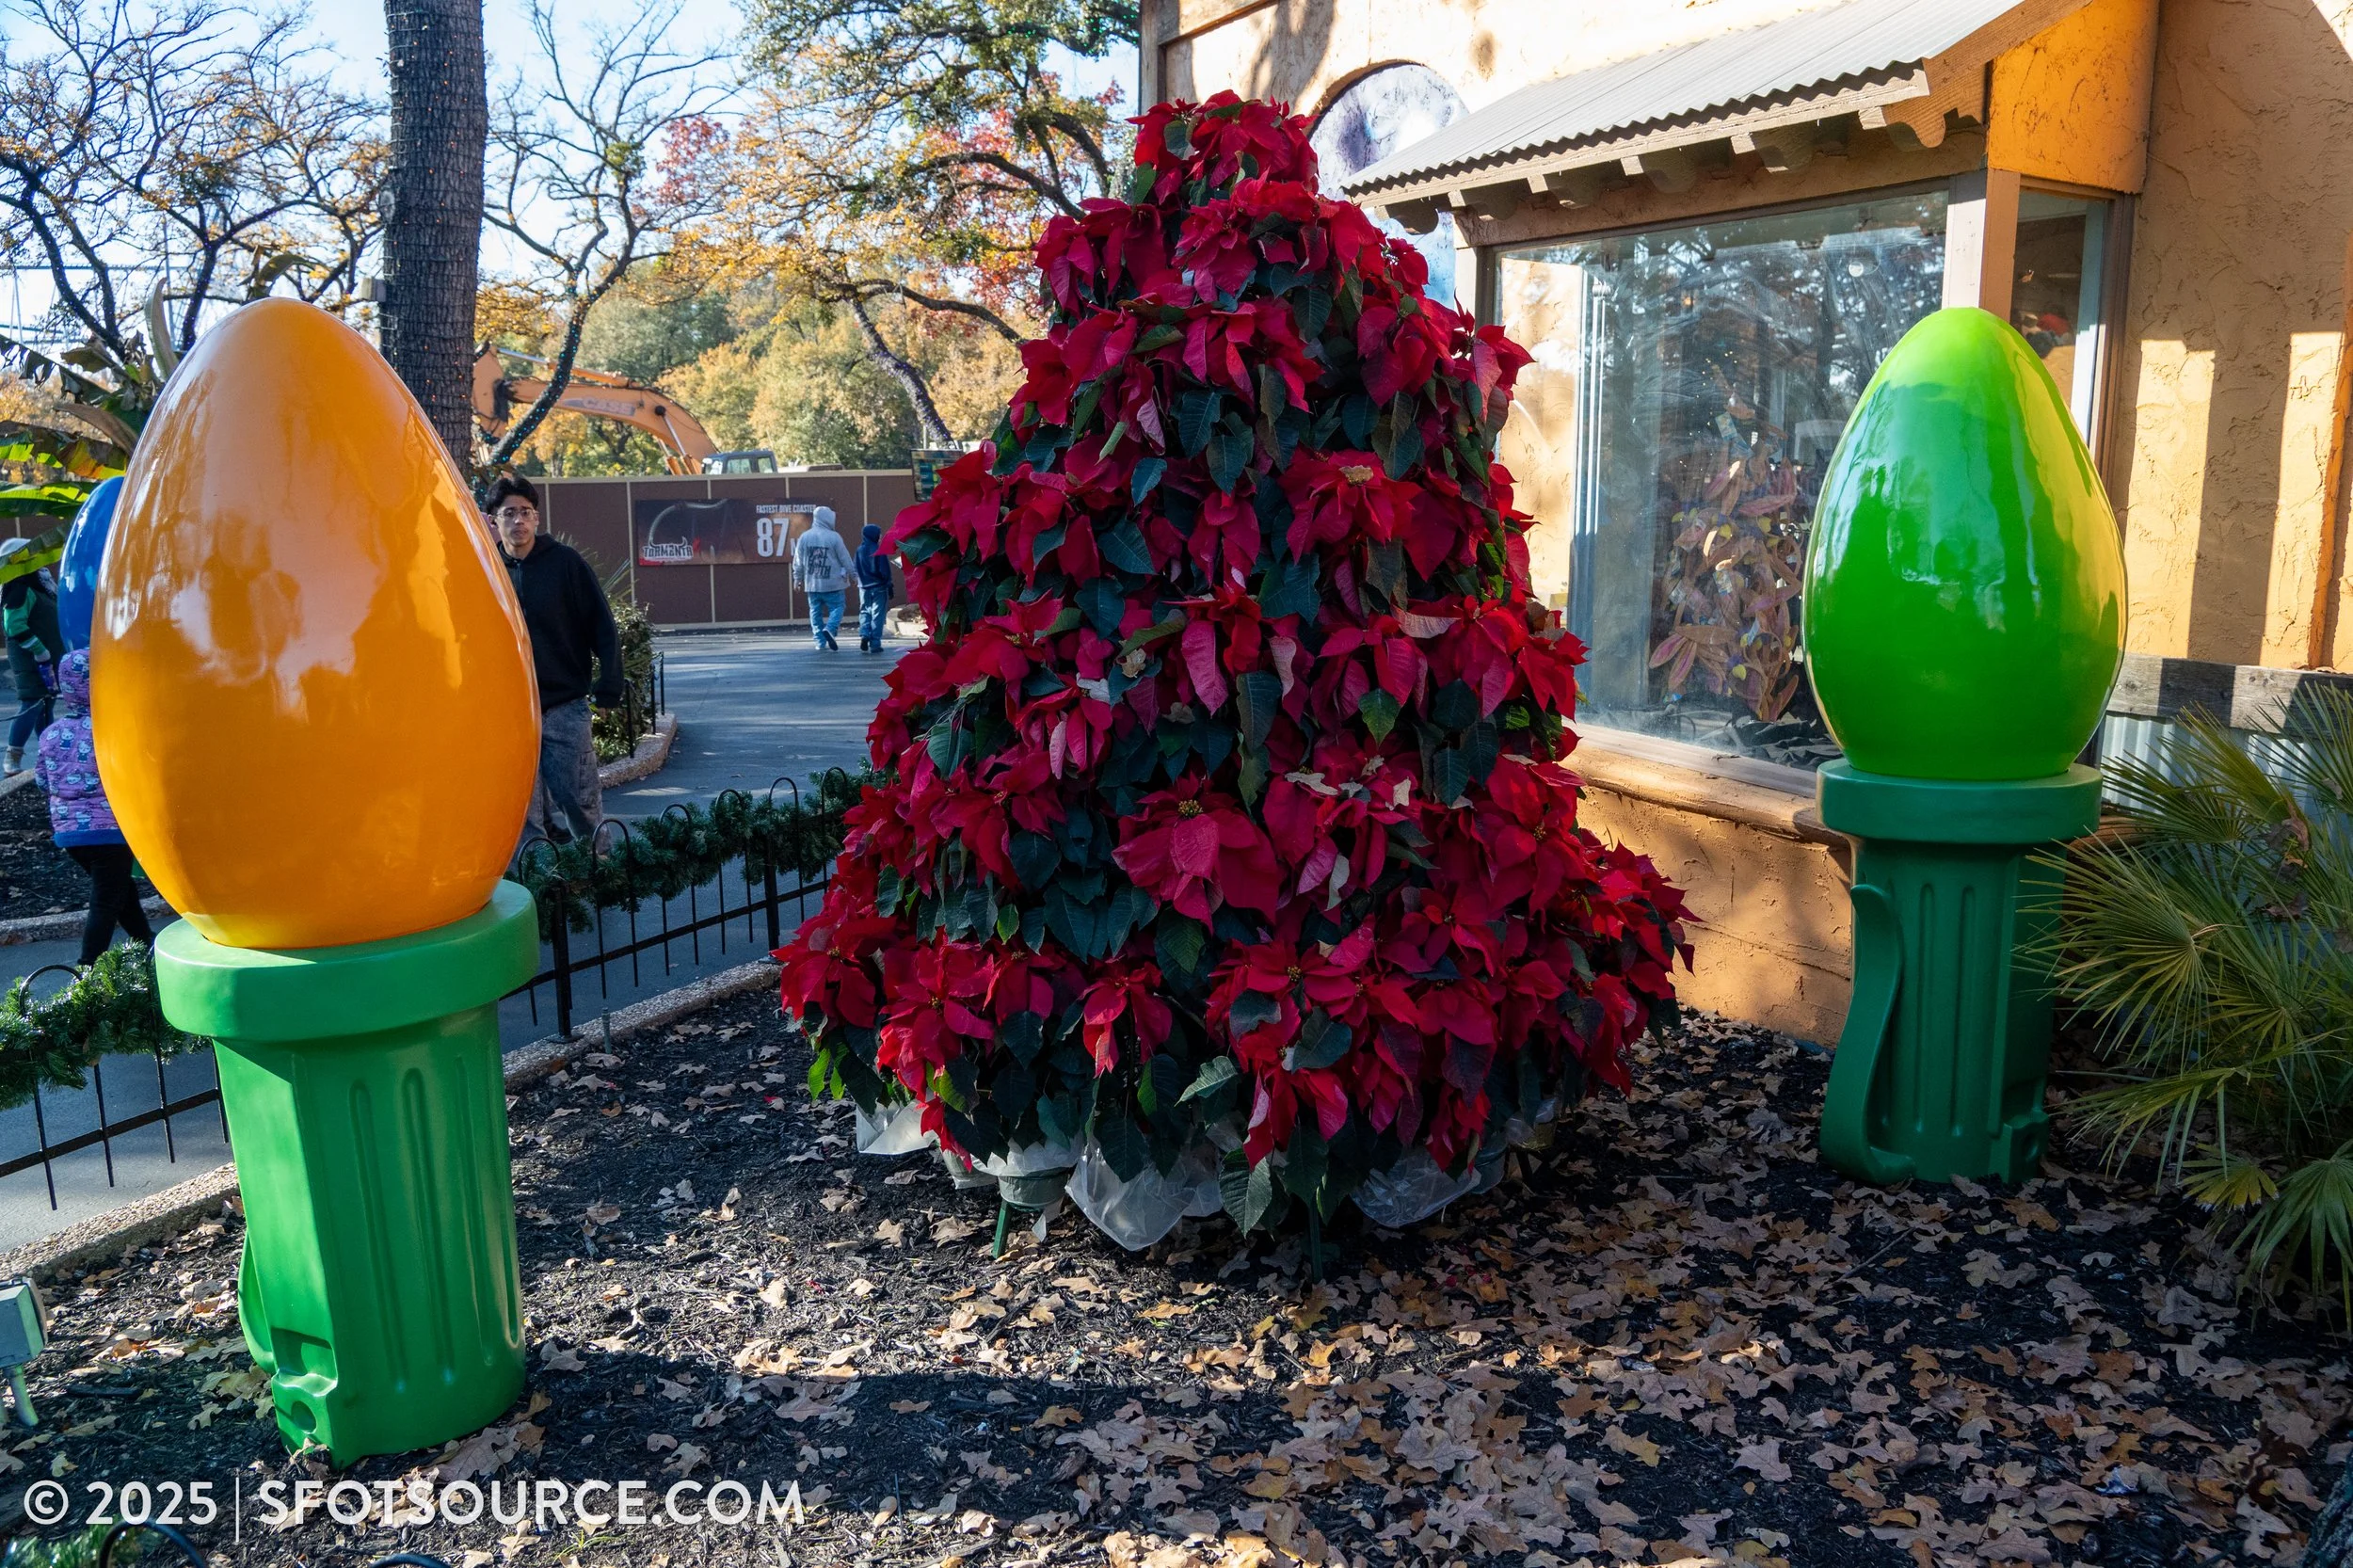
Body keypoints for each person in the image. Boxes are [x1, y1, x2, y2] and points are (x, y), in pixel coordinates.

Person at [488, 474, 623, 847]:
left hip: (564, 707)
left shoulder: (565, 564)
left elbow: (602, 626)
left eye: (526, 512)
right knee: (523, 813)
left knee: (579, 803)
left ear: (537, 519)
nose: (519, 521)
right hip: (511, 711)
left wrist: (609, 687)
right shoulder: (486, 572)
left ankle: (601, 876)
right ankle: (541, 886)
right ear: (493, 520)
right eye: (509, 513)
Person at [36, 648, 153, 967]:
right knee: (106, 901)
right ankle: (87, 967)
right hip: (109, 831)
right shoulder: (113, 729)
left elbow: (43, 782)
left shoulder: (51, 734)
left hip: (70, 835)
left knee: (119, 890)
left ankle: (147, 945)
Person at [0, 537, 61, 774]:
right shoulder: (20, 590)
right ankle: (12, 757)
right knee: (32, 704)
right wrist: (41, 651)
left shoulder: (38, 587)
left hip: (45, 661)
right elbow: (14, 626)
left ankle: (48, 755)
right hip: (32, 660)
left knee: (45, 705)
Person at [792, 505, 856, 651]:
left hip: (812, 584)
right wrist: (853, 575)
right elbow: (845, 559)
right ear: (827, 518)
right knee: (838, 607)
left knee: (815, 611)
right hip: (834, 584)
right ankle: (830, 629)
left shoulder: (804, 537)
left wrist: (797, 579)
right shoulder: (835, 537)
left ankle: (819, 641)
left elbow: (798, 560)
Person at [854, 522, 892, 653]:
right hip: (879, 587)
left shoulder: (859, 550)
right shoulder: (879, 550)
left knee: (865, 611)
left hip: (863, 587)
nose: (880, 536)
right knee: (878, 614)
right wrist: (889, 584)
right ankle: (875, 643)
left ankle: (864, 633)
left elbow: (856, 568)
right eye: (879, 534)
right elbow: (884, 571)